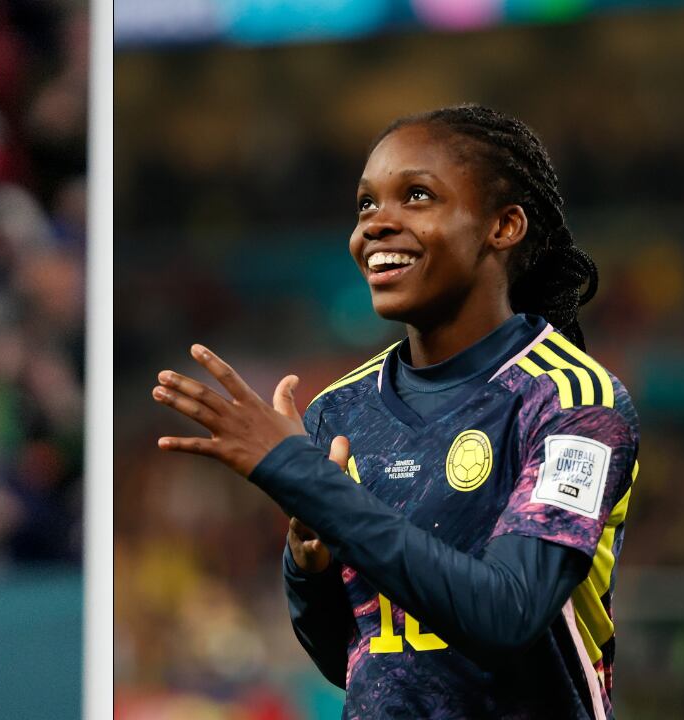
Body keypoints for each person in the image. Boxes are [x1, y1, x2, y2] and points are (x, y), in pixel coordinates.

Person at [152, 105, 639, 720]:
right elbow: (356, 657)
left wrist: (305, 479)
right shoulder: (340, 411)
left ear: (503, 226)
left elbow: (507, 616)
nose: (377, 224)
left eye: (416, 196)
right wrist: (309, 566)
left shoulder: (572, 399)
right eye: (366, 204)